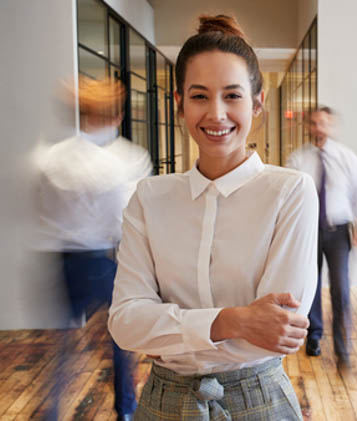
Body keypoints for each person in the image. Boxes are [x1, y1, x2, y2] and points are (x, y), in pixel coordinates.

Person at [108, 15, 318, 420]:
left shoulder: (290, 191)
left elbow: (279, 332)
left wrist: (168, 332)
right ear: (179, 103)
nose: (216, 114)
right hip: (164, 401)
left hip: (258, 397)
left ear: (257, 104)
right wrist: (235, 320)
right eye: (200, 96)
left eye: (232, 96)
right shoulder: (149, 197)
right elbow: (125, 323)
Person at [38, 76, 150, 421]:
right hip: (103, 258)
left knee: (63, 344)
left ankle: (53, 409)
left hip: (63, 260)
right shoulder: (127, 161)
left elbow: (42, 210)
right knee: (120, 339)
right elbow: (125, 219)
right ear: (117, 116)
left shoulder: (51, 158)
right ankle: (126, 409)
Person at [286, 106, 357, 373]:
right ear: (308, 127)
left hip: (339, 230)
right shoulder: (298, 159)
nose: (319, 128)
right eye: (314, 123)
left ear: (331, 127)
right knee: (311, 285)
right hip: (308, 231)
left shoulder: (347, 158)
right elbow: (290, 198)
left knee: (341, 290)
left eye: (323, 123)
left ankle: (343, 351)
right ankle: (314, 336)